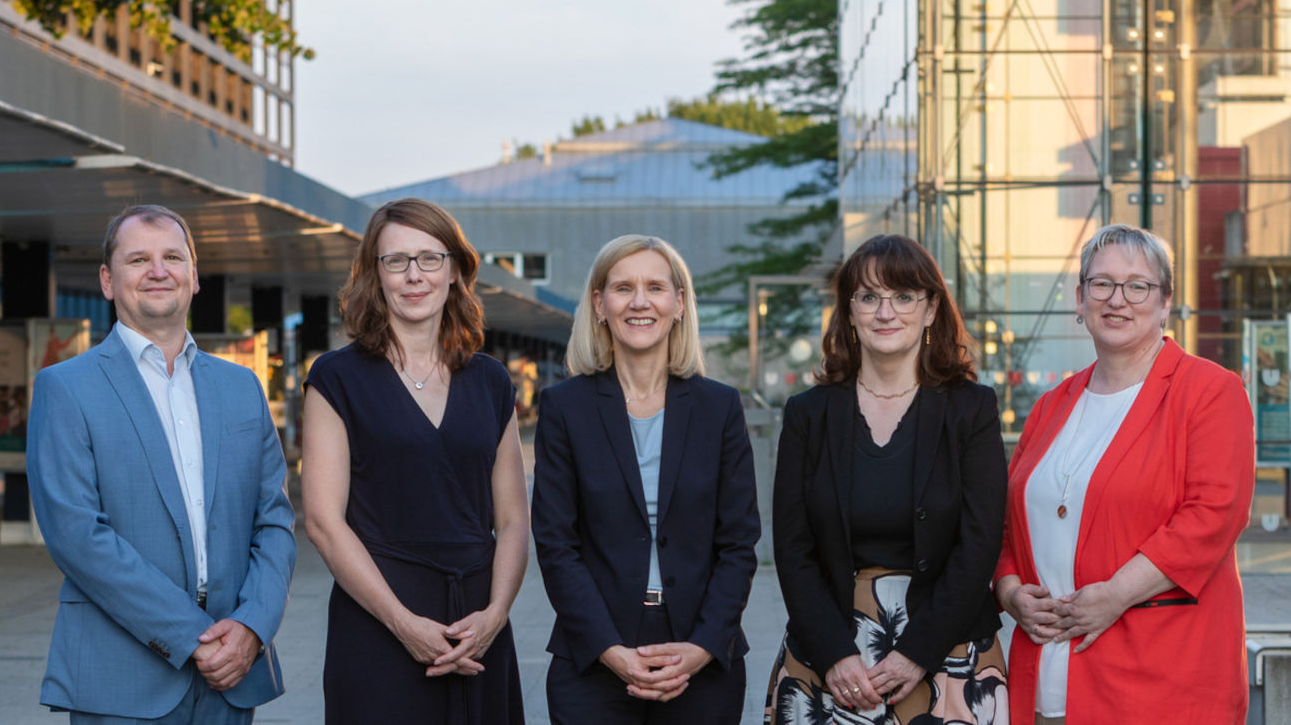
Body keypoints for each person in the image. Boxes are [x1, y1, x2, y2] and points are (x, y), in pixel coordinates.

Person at [27, 205, 296, 724]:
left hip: (233, 673)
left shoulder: (241, 388)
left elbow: (275, 520)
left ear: (194, 276)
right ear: (108, 280)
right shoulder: (65, 388)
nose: (158, 271)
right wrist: (191, 638)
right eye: (138, 259)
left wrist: (252, 627)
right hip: (122, 677)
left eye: (173, 257)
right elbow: (77, 536)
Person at [995, 223, 1255, 724]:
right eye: (1102, 284)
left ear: (1165, 303)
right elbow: (1007, 524)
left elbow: (1213, 515)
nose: (1118, 299)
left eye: (1138, 286)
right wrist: (1010, 593)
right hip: (1045, 677)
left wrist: (1116, 594)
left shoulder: (1209, 391)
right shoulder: (1051, 406)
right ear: (1080, 298)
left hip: (1159, 680)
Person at [767, 233, 1009, 725]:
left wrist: (917, 651)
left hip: (950, 650)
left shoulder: (971, 409)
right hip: (829, 656)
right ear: (849, 311)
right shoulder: (807, 415)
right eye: (869, 297)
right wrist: (835, 654)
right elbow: (792, 548)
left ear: (931, 308)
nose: (885, 312)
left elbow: (980, 542)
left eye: (903, 296)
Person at [302, 198, 527, 724]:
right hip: (379, 621)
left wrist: (495, 615)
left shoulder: (491, 380)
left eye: (429, 258)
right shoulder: (336, 378)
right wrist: (403, 623)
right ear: (374, 275)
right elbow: (323, 523)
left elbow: (515, 519)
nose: (414, 275)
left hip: (477, 624)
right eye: (396, 260)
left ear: (454, 270)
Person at [532, 234, 760, 724]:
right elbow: (556, 544)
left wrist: (701, 647)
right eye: (622, 288)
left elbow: (739, 543)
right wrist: (610, 650)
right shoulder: (564, 408)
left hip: (701, 652)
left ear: (679, 302)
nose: (639, 302)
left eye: (656, 287)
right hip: (593, 654)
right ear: (599, 304)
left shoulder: (719, 407)